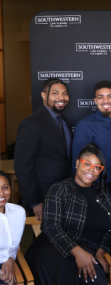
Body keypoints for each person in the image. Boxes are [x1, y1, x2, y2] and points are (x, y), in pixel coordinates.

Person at [25, 144, 111, 285]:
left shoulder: (104, 193)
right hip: (53, 249)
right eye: (87, 164)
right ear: (77, 163)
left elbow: (109, 228)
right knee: (88, 273)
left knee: (89, 270)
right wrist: (78, 252)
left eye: (97, 167)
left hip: (88, 251)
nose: (92, 170)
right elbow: (50, 226)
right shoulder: (59, 189)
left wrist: (101, 252)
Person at [15, 77, 72, 220]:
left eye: (65, 93)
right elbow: (22, 167)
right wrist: (34, 202)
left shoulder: (65, 122)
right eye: (55, 93)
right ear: (44, 95)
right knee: (44, 241)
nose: (61, 97)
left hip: (66, 194)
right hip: (42, 198)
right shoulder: (30, 124)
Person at [72, 80, 111, 206]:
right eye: (100, 97)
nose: (106, 101)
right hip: (96, 189)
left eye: (110, 96)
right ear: (95, 100)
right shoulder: (85, 125)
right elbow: (77, 164)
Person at [0, 171, 26, 285]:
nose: (1, 193)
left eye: (5, 187)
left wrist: (11, 258)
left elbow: (14, 245)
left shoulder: (18, 213)